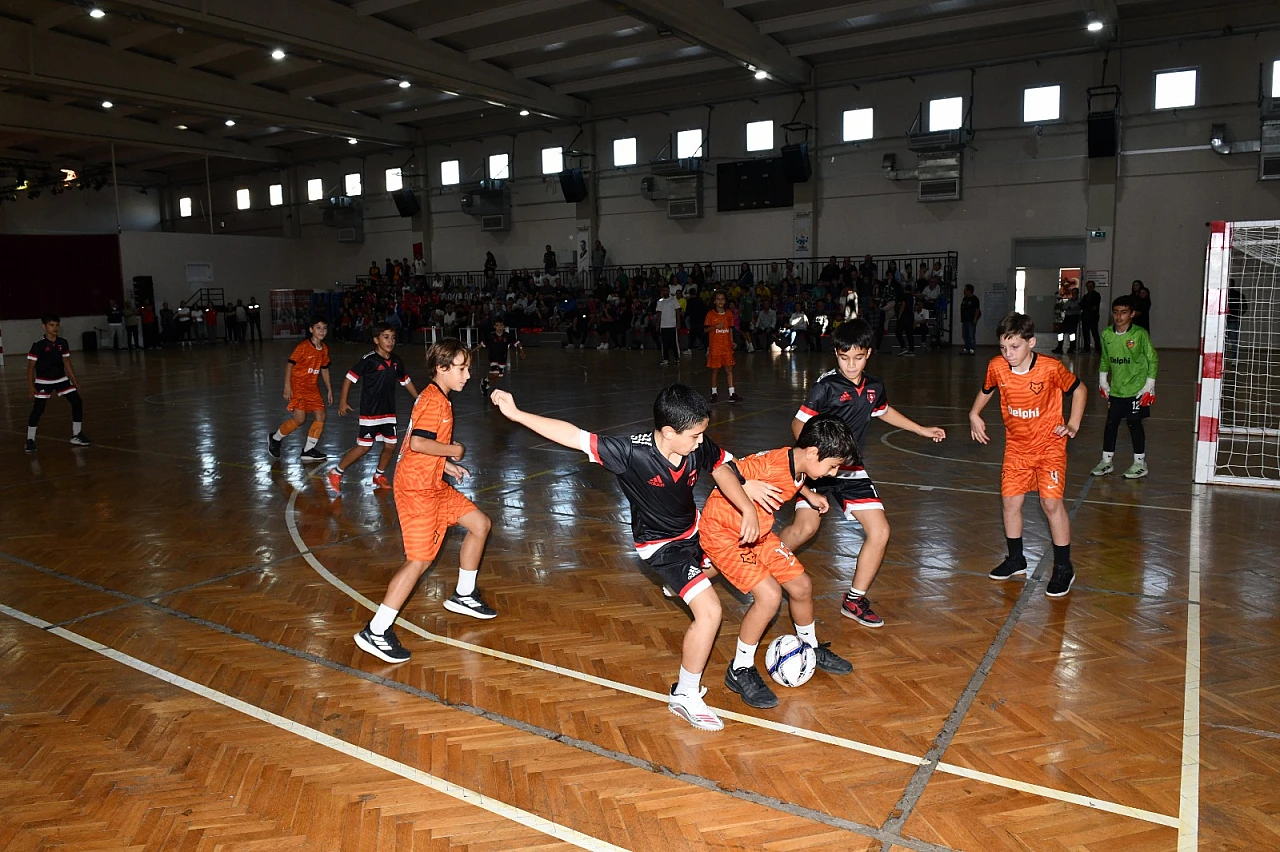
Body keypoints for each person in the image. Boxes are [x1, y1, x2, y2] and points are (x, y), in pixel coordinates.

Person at [492, 384, 761, 732]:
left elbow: (721, 465)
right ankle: (685, 695)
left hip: (694, 530)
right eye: (695, 436)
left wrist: (746, 507)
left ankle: (680, 585)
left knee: (721, 566)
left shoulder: (696, 441)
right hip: (661, 545)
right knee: (710, 612)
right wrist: (515, 414)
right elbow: (574, 435)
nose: (700, 441)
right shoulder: (630, 453)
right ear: (668, 432)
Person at [780, 319, 946, 625]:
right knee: (805, 530)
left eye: (857, 357)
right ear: (836, 354)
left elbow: (883, 411)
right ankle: (766, 563)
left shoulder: (874, 387)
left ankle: (854, 599)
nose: (851, 364)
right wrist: (812, 454)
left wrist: (920, 429)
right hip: (819, 471)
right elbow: (797, 423)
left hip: (852, 470)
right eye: (844, 358)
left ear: (868, 353)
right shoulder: (825, 386)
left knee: (880, 532)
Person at [354, 341, 497, 665]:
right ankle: (376, 631)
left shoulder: (436, 398)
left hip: (432, 483)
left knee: (480, 524)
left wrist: (446, 466)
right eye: (462, 368)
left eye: (468, 368)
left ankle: (464, 594)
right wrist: (454, 452)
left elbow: (412, 443)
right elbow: (419, 443)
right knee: (418, 561)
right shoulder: (434, 401)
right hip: (417, 492)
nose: (468, 374)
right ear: (442, 369)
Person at [702, 417, 857, 709]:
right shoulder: (772, 463)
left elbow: (791, 483)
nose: (833, 473)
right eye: (832, 466)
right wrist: (747, 495)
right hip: (723, 533)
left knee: (801, 586)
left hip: (757, 532)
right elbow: (724, 469)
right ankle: (740, 668)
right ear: (812, 453)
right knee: (769, 596)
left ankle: (809, 646)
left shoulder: (799, 465)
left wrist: (809, 493)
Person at [968, 312, 1087, 597]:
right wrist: (974, 412)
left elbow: (1080, 389)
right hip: (1017, 447)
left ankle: (1063, 568)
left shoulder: (1050, 368)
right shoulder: (997, 366)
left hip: (1050, 447)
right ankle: (1016, 559)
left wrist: (1072, 424)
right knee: (1010, 504)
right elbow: (987, 390)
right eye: (1003, 347)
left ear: (1031, 342)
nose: (1008, 353)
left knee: (1050, 505)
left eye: (1015, 347)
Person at [327, 323, 419, 492]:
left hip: (389, 413)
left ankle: (378, 476)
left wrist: (418, 398)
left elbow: (405, 380)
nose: (390, 341)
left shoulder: (396, 361)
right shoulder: (369, 360)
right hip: (370, 413)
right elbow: (349, 378)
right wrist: (343, 402)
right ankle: (336, 472)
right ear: (376, 340)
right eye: (386, 337)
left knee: (390, 446)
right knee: (364, 447)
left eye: (393, 338)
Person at [1092, 295, 1159, 479]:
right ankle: (1106, 461)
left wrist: (1149, 385)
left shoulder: (1140, 334)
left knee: (1134, 423)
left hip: (1137, 389)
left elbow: (1152, 359)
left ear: (1132, 314)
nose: (1119, 317)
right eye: (1116, 313)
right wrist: (1103, 380)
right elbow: (1105, 359)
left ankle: (1140, 463)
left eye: (1123, 313)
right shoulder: (1106, 334)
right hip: (1117, 390)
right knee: (1111, 423)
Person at [267, 317, 334, 462]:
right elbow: (289, 365)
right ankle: (275, 438)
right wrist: (287, 386)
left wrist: (329, 389)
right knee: (300, 420)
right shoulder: (303, 347)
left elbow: (325, 369)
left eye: (324, 328)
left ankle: (308, 450)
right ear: (311, 330)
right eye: (318, 327)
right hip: (298, 386)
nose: (322, 331)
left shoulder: (324, 349)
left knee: (321, 416)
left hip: (312, 387)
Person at [25, 314, 91, 452]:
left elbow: (66, 362)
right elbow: (31, 367)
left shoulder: (63, 343)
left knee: (77, 402)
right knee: (38, 409)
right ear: (44, 326)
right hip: (43, 381)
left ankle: (77, 434)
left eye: (57, 325)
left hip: (61, 379)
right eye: (51, 325)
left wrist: (74, 380)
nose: (55, 328)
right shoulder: (38, 345)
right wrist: (31, 386)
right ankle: (30, 439)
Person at [704, 291, 740, 404]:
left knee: (729, 370)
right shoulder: (710, 314)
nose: (720, 301)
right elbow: (705, 329)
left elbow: (730, 329)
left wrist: (732, 342)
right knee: (715, 371)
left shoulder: (729, 314)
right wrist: (715, 327)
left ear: (725, 301)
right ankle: (714, 393)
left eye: (722, 299)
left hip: (726, 347)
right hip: (715, 347)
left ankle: (732, 393)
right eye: (718, 299)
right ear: (714, 301)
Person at [478, 318, 522, 400]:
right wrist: (473, 350)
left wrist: (521, 350)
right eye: (497, 325)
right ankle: (484, 380)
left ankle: (485, 386)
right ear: (494, 326)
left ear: (504, 326)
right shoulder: (490, 336)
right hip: (493, 358)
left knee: (497, 377)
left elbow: (517, 342)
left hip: (502, 358)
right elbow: (482, 344)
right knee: (495, 374)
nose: (499, 327)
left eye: (501, 325)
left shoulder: (507, 335)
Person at [656, 284, 681, 366]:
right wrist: (657, 324)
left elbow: (677, 311)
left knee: (674, 342)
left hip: (672, 325)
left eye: (666, 290)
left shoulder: (673, 300)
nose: (665, 292)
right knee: (664, 343)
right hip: (663, 325)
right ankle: (665, 359)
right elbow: (659, 314)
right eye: (664, 290)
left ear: (669, 291)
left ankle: (677, 358)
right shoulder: (660, 301)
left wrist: (678, 322)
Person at [1079, 280, 1101, 352]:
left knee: (1095, 333)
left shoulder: (1096, 295)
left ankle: (1098, 349)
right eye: (1088, 287)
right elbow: (1082, 306)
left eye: (1090, 286)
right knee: (1086, 334)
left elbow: (1094, 307)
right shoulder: (1085, 296)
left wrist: (1086, 306)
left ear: (1094, 287)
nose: (1089, 288)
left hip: (1093, 318)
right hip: (1085, 318)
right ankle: (1086, 348)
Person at [959, 284, 981, 355]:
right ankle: (966, 348)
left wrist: (975, 319)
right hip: (964, 320)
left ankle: (972, 349)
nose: (964, 291)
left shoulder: (975, 299)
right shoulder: (964, 298)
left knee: (971, 335)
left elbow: (977, 310)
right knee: (965, 335)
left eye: (965, 289)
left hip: (971, 320)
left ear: (969, 291)